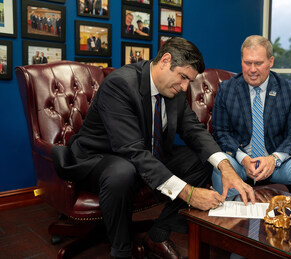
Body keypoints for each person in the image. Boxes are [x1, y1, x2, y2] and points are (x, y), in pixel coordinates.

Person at [52, 37, 255, 259]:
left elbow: (194, 131)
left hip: (141, 157)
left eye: (190, 81)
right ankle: (121, 251)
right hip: (99, 159)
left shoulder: (174, 90)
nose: (185, 87)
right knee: (122, 171)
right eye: (183, 77)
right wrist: (189, 194)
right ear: (166, 60)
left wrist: (226, 168)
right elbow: (131, 151)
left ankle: (158, 233)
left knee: (201, 160)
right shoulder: (120, 84)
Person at [211, 35, 291, 201]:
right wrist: (243, 159)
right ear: (241, 61)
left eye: (258, 63)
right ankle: (231, 221)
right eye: (248, 63)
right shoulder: (227, 89)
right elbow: (221, 132)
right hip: (240, 160)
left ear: (271, 62)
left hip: (277, 161)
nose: (252, 69)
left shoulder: (288, 89)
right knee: (221, 166)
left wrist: (274, 159)